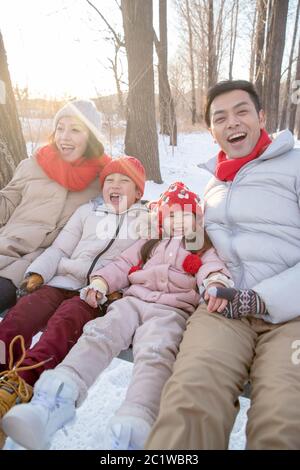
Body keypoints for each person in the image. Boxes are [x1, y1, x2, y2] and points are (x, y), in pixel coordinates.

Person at [1, 182, 233, 450]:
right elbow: (122, 265)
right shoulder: (150, 241)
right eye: (171, 214)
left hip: (170, 312)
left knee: (156, 354)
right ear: (162, 218)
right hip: (131, 302)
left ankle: (134, 424)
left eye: (185, 215)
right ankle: (54, 401)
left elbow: (211, 267)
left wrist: (214, 282)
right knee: (99, 334)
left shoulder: (198, 244)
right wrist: (101, 283)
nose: (177, 221)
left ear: (196, 218)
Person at [144, 80, 300, 450]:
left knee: (284, 412)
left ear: (261, 117)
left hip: (292, 316)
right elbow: (201, 249)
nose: (232, 122)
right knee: (190, 400)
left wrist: (260, 299)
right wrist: (173, 232)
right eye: (220, 117)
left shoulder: (295, 166)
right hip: (222, 309)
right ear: (212, 132)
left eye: (241, 111)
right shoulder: (212, 186)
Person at [0, 156, 147, 430]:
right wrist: (38, 273)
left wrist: (116, 289)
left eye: (124, 181)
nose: (114, 185)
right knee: (21, 316)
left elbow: (135, 262)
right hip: (60, 280)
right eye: (109, 180)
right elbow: (60, 249)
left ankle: (21, 383)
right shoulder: (86, 213)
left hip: (93, 294)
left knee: (63, 325)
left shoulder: (145, 221)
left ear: (139, 192)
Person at [0, 99, 110, 313]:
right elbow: (6, 205)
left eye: (75, 130)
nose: (64, 137)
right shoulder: (33, 165)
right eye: (60, 128)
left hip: (37, 264)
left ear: (92, 137)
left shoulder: (103, 180)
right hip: (5, 244)